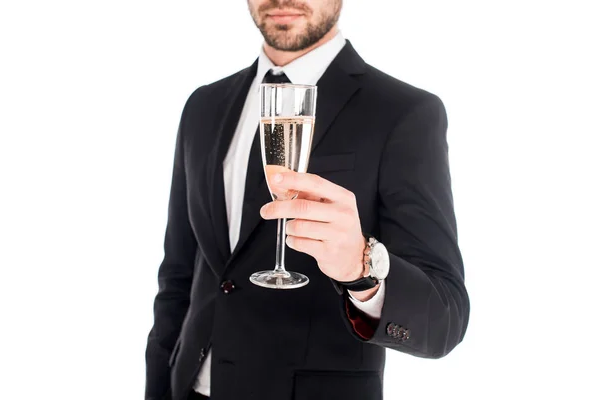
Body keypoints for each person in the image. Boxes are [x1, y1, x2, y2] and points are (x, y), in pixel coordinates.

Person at [145, 1, 470, 399]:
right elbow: (178, 276)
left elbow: (446, 317)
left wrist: (361, 269)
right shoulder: (203, 106)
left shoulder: (404, 113)